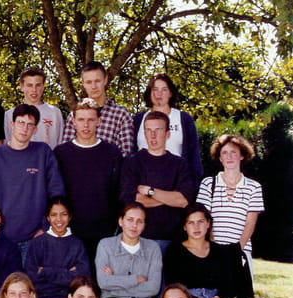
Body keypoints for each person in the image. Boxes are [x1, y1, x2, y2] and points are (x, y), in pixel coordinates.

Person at [196, 134, 264, 298]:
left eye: (234, 152)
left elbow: (250, 223)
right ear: (219, 157)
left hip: (240, 258)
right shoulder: (208, 184)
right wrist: (216, 252)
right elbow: (204, 220)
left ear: (242, 155)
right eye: (224, 153)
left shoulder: (253, 187)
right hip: (213, 257)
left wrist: (235, 252)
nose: (229, 157)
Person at [0, 103, 65, 263]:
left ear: (35, 129)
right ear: (12, 124)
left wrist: (46, 228)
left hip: (35, 238)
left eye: (30, 125)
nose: (24, 129)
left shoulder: (43, 152)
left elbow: (56, 193)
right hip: (2, 238)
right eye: (21, 123)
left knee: (35, 279)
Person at [54, 97, 123, 264]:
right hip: (70, 231)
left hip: (104, 232)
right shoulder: (61, 153)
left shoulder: (112, 153)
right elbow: (56, 192)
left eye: (91, 120)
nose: (86, 125)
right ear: (73, 121)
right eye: (81, 120)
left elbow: (118, 192)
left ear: (99, 121)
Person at [120, 110, 196, 253]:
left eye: (158, 130)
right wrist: (169, 197)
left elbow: (183, 201)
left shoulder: (180, 164)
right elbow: (130, 200)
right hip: (139, 239)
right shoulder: (132, 162)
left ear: (167, 134)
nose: (153, 135)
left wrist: (150, 192)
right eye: (149, 130)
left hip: (172, 240)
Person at [95, 203, 162, 298]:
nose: (134, 225)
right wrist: (135, 279)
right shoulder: (106, 245)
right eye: (130, 220)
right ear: (121, 221)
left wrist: (115, 280)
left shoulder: (152, 248)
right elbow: (103, 282)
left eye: (140, 221)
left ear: (144, 225)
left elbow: (153, 287)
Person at [25, 197, 91, 298]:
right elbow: (31, 277)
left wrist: (45, 271)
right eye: (54, 215)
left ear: (70, 216)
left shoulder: (77, 244)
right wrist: (67, 272)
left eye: (63, 214)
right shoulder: (38, 243)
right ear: (48, 218)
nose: (59, 219)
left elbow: (82, 279)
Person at [133, 73, 203, 180]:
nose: (159, 94)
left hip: (176, 181)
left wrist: (191, 183)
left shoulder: (184, 119)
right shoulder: (138, 119)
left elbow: (194, 156)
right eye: (155, 89)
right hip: (143, 180)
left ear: (170, 93)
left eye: (164, 90)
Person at [61, 61, 134, 157]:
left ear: (105, 80)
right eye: (89, 82)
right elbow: (66, 153)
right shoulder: (74, 116)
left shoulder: (121, 115)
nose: (93, 86)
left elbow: (125, 155)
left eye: (97, 81)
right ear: (83, 83)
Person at [3, 67, 64, 149]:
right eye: (29, 85)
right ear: (22, 86)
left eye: (38, 85)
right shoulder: (10, 114)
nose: (34, 90)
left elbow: (60, 142)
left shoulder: (54, 113)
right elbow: (7, 143)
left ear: (43, 86)